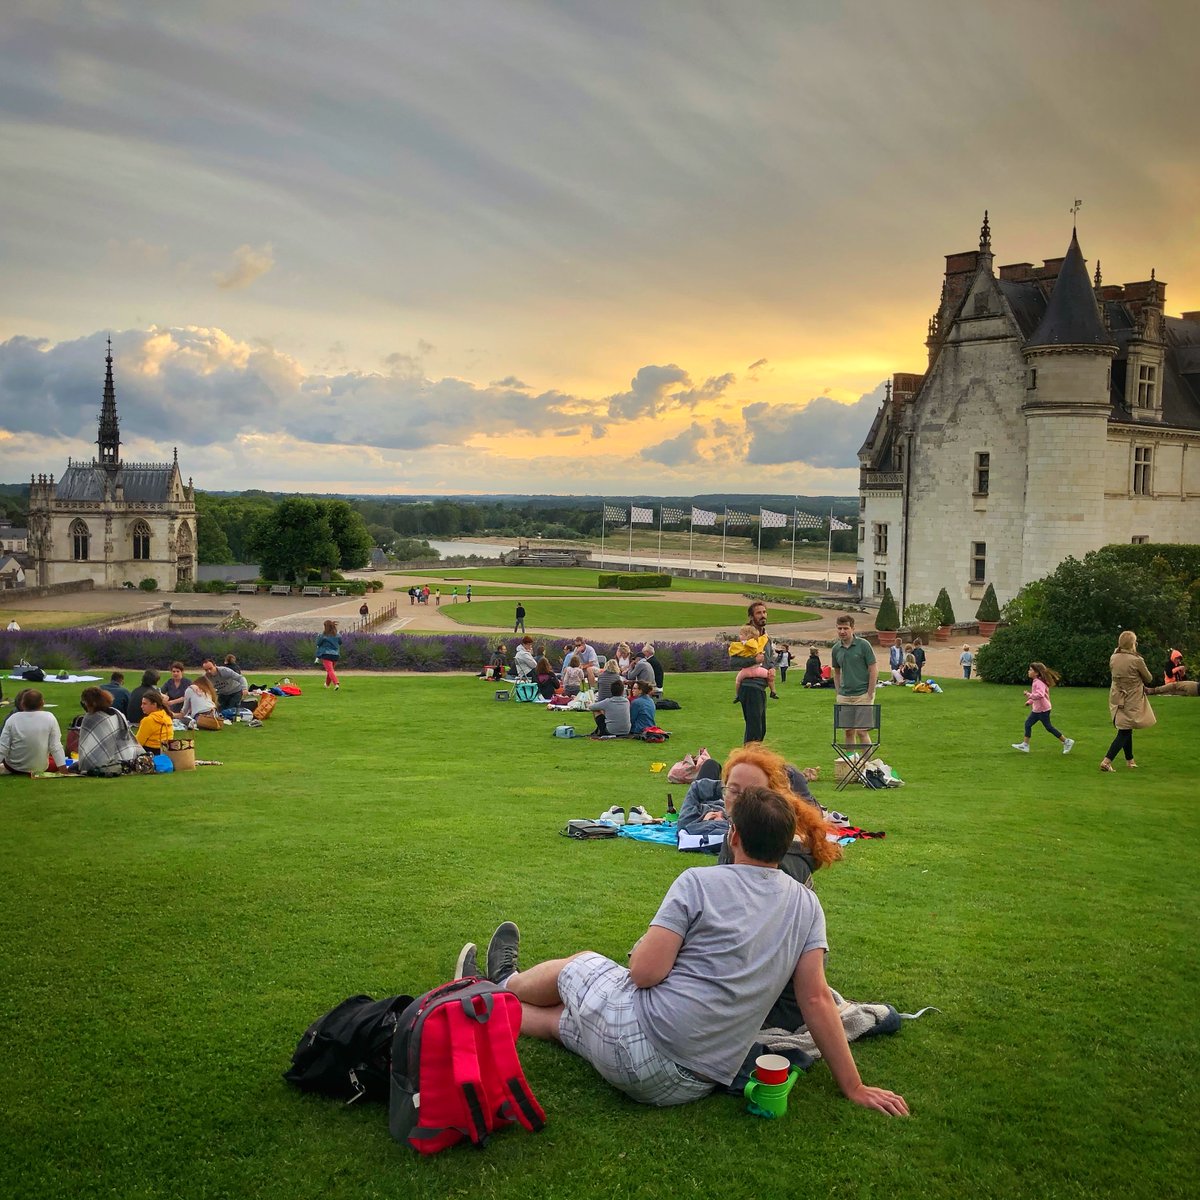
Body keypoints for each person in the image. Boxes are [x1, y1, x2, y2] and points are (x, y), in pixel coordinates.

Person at [456, 785, 907, 1115]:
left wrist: (649, 956)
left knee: (578, 966)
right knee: (566, 1022)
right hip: (687, 1085)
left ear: (733, 836)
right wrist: (854, 1086)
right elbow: (815, 998)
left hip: (641, 1044)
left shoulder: (699, 882)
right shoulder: (807, 904)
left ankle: (501, 982)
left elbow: (644, 974)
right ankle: (483, 1008)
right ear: (787, 841)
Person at [1101, 630, 1154, 772]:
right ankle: (1107, 761)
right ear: (1132, 644)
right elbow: (1148, 678)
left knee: (1126, 727)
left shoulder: (1114, 657)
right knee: (1125, 730)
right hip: (1131, 697)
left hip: (1117, 696)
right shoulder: (1137, 660)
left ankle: (1130, 760)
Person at [731, 601, 777, 745]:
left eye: (764, 612)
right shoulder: (747, 636)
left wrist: (772, 667)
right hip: (750, 686)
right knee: (754, 731)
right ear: (751, 617)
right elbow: (734, 662)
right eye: (759, 613)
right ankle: (748, 763)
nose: (763, 615)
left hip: (760, 687)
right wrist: (753, 660)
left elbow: (768, 659)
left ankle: (752, 762)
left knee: (760, 730)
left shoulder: (766, 638)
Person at [831, 615, 878, 746]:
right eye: (839, 628)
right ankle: (850, 763)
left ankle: (866, 764)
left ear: (853, 628)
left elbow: (873, 669)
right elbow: (837, 672)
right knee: (848, 731)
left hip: (862, 694)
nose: (842, 631)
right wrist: (838, 692)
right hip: (844, 696)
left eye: (845, 628)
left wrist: (870, 692)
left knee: (862, 731)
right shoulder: (836, 649)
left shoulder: (864, 645)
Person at [75, 686, 143, 775]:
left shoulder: (90, 719)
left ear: (91, 703)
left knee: (75, 767)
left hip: (104, 762)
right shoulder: (116, 713)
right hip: (128, 756)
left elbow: (87, 749)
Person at [1012, 663, 1074, 755]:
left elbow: (1040, 695)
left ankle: (1067, 741)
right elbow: (1037, 695)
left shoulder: (1038, 682)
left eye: (1030, 670)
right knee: (1028, 724)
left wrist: (1029, 695)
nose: (1028, 671)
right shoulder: (1036, 681)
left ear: (1036, 673)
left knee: (1048, 727)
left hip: (1043, 710)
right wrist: (1030, 701)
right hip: (1037, 709)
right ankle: (1025, 745)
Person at [0, 690, 66, 775]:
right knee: (52, 760)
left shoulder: (13, 719)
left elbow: (3, 747)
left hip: (14, 767)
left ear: (22, 704)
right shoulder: (50, 717)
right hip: (39, 767)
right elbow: (55, 746)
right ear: (42, 703)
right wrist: (64, 770)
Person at [316, 619, 341, 690]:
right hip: (335, 654)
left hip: (326, 654)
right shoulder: (337, 635)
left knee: (330, 670)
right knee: (330, 670)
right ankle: (327, 684)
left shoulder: (323, 635)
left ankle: (336, 683)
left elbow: (318, 643)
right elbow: (340, 642)